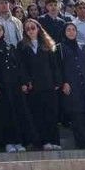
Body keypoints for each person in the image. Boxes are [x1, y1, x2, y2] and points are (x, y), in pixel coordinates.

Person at [0, 20, 31, 152]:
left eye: (0, 30)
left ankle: (18, 141)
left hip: (14, 85)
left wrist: (23, 82)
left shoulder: (11, 47)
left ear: (3, 32)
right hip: (1, 87)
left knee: (17, 113)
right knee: (4, 115)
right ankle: (8, 142)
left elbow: (19, 66)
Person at [19, 18, 61, 149]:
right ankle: (43, 141)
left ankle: (55, 141)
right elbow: (22, 66)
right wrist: (26, 81)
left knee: (51, 113)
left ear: (38, 29)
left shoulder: (47, 44)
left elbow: (54, 65)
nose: (31, 31)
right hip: (33, 86)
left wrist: (57, 81)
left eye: (33, 28)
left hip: (48, 84)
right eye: (27, 29)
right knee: (38, 114)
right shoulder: (22, 46)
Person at [58, 21, 85, 150]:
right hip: (71, 84)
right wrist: (63, 82)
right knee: (77, 114)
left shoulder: (83, 47)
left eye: (73, 30)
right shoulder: (59, 48)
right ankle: (82, 143)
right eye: (68, 30)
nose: (71, 32)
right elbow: (58, 67)